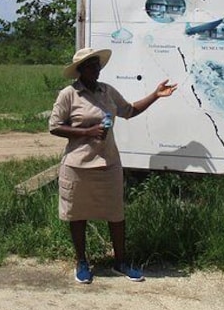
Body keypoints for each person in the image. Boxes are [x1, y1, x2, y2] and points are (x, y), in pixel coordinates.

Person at [49, 46, 177, 284]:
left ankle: (121, 262)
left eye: (97, 64)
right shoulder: (69, 94)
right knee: (78, 215)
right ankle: (82, 262)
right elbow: (54, 126)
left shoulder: (107, 91)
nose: (96, 69)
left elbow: (129, 110)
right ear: (80, 70)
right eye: (90, 65)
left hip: (108, 163)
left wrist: (155, 95)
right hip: (78, 166)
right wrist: (86, 131)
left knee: (116, 214)